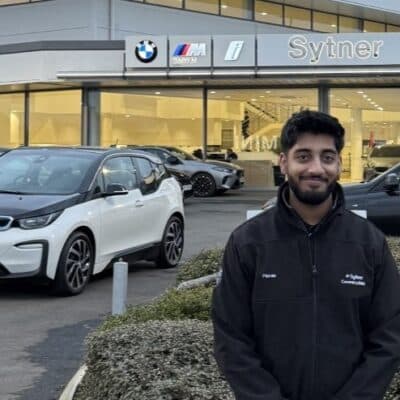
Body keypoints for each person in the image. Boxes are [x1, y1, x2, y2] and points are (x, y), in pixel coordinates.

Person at [212, 110, 400, 400]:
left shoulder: (369, 243)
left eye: (327, 157)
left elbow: (389, 336)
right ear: (284, 162)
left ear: (338, 164)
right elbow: (231, 338)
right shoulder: (248, 242)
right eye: (303, 156)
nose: (316, 168)